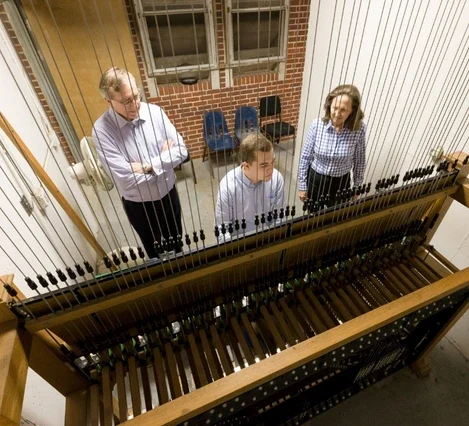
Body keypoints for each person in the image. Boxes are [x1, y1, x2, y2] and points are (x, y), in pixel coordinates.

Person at [92, 67, 187, 259]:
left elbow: (182, 151)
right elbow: (126, 180)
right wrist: (164, 161)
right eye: (127, 101)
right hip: (140, 206)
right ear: (108, 101)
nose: (135, 104)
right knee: (154, 254)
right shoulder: (102, 132)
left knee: (177, 246)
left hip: (169, 195)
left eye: (136, 96)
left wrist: (147, 167)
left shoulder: (155, 112)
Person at [298, 84, 366, 208]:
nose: (337, 113)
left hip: (341, 183)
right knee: (313, 216)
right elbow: (305, 157)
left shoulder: (359, 130)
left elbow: (359, 161)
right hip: (316, 180)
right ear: (329, 106)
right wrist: (302, 185)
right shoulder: (316, 125)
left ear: (352, 111)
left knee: (335, 217)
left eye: (343, 110)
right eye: (334, 108)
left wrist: (356, 187)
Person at [216, 133, 284, 239]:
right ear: (246, 166)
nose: (271, 169)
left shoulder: (276, 178)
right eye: (264, 165)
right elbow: (222, 230)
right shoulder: (227, 187)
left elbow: (280, 218)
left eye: (272, 162)